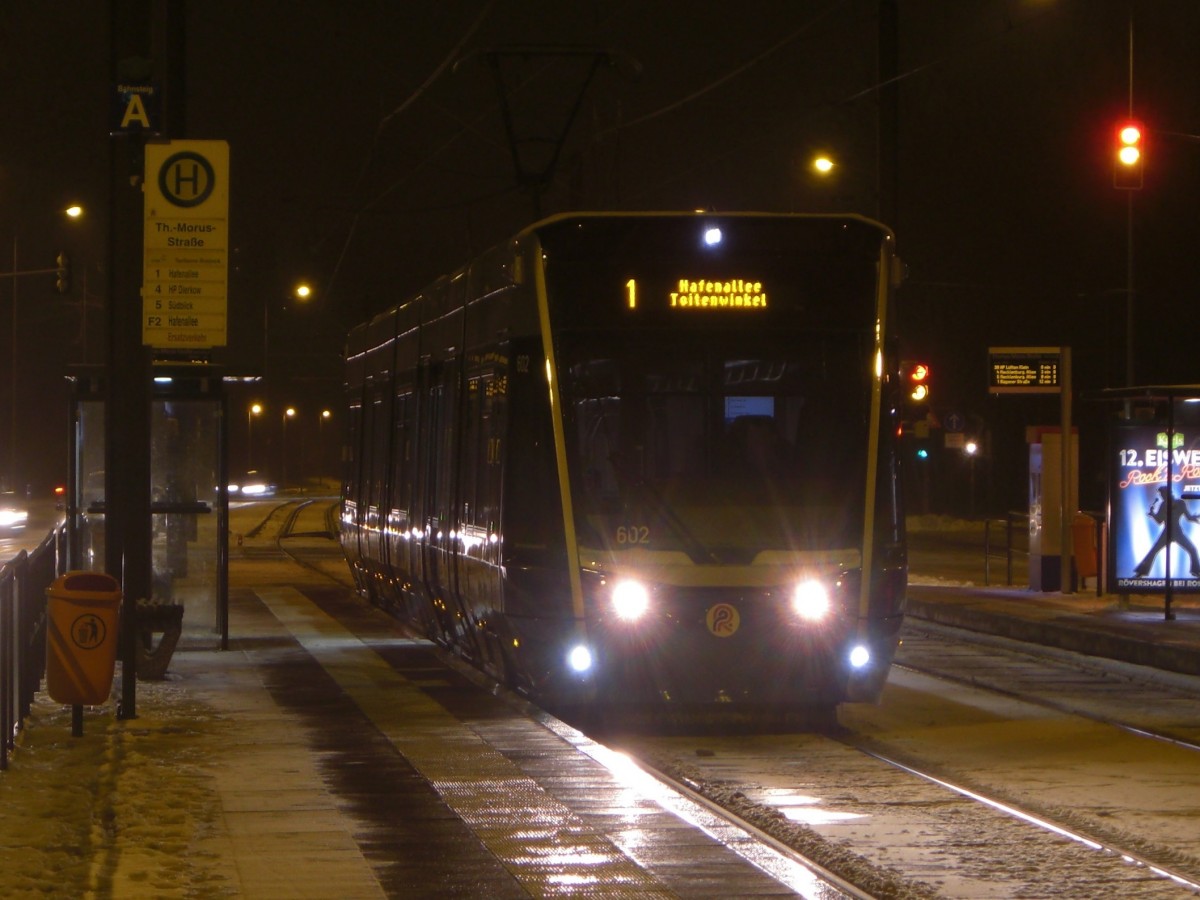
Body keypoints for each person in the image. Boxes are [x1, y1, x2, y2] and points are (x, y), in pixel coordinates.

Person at [1134, 485, 1200, 578]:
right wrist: (1153, 514)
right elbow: (1159, 521)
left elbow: (1188, 517)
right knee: (1153, 551)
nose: (1161, 496)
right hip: (1166, 532)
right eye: (1161, 494)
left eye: (1162, 494)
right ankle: (1141, 571)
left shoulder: (1180, 503)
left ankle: (1196, 571)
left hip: (1177, 532)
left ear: (1168, 493)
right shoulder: (1163, 505)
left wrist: (1194, 517)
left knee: (1192, 549)